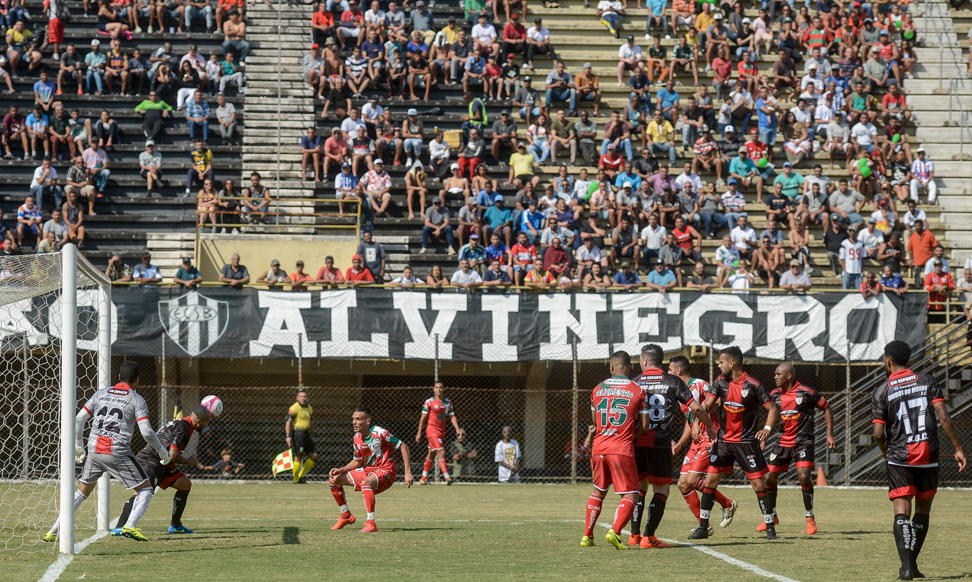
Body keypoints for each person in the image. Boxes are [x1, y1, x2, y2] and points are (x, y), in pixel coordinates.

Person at [43, 362, 170, 544]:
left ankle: (53, 531)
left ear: (118, 377)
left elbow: (80, 418)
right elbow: (147, 432)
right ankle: (130, 525)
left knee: (82, 492)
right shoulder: (137, 399)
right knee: (146, 489)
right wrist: (162, 451)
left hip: (94, 450)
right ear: (137, 380)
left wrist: (78, 445)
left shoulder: (101, 393)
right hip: (117, 452)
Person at [872, 340, 966, 580]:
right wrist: (957, 448)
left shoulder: (882, 390)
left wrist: (884, 451)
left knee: (901, 512)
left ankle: (905, 568)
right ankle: (913, 564)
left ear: (888, 361)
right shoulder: (928, 381)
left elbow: (878, 434)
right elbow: (943, 416)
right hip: (928, 455)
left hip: (898, 457)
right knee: (922, 511)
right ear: (909, 360)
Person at [628, 345, 717, 548]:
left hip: (637, 441)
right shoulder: (673, 381)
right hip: (660, 442)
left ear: (644, 361)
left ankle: (634, 535)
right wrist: (710, 427)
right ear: (660, 361)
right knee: (661, 490)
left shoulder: (635, 382)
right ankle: (648, 537)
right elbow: (696, 408)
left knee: (639, 488)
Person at [689, 346, 780, 540]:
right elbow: (707, 405)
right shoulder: (720, 382)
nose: (719, 366)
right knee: (710, 482)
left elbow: (772, 408)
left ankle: (770, 528)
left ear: (732, 363)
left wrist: (767, 429)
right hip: (723, 441)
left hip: (746, 442)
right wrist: (696, 422)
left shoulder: (753, 385)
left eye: (721, 362)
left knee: (758, 485)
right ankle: (703, 527)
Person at [109, 406, 212, 537]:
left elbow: (167, 448)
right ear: (198, 421)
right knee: (142, 492)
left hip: (163, 464)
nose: (206, 426)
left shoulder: (182, 423)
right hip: (151, 462)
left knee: (185, 484)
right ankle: (120, 527)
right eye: (206, 423)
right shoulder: (184, 428)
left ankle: (175, 526)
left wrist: (172, 464)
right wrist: (190, 462)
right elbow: (173, 455)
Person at [760, 364, 836, 535]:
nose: (775, 377)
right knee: (769, 477)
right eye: (775, 374)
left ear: (788, 376)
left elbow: (826, 407)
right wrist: (765, 436)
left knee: (804, 477)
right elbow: (771, 415)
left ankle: (810, 517)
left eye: (778, 374)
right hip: (782, 441)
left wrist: (830, 434)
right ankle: (772, 517)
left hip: (803, 442)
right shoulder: (774, 394)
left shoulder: (807, 392)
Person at [581, 350, 645, 549]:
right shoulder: (638, 390)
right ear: (630, 367)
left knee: (599, 491)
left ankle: (587, 536)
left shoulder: (597, 388)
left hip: (599, 447)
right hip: (621, 447)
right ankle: (615, 532)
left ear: (611, 366)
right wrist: (628, 435)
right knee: (632, 494)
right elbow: (644, 425)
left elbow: (595, 421)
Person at [668, 356, 736, 537]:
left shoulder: (699, 385)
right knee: (683, 484)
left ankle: (726, 505)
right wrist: (680, 444)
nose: (668, 373)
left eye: (670, 370)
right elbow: (689, 421)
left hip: (710, 438)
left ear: (678, 371)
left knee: (692, 480)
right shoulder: (679, 391)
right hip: (696, 442)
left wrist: (700, 419)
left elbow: (718, 401)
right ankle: (706, 523)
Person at [327, 406, 414, 533]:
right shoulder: (357, 437)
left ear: (367, 421)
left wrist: (407, 472)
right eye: (353, 419)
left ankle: (371, 524)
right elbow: (357, 461)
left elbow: (403, 446)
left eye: (358, 419)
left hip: (386, 471)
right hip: (369, 471)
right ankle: (346, 516)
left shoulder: (380, 433)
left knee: (366, 483)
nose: (354, 422)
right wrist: (341, 470)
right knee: (334, 479)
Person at [415, 382, 461, 486]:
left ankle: (423, 478)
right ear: (433, 389)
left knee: (431, 454)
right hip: (432, 431)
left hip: (441, 432)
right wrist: (419, 433)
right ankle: (447, 478)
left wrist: (457, 429)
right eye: (437, 387)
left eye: (441, 387)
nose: (439, 389)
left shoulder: (448, 403)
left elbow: (452, 416)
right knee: (441, 451)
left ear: (444, 389)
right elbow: (423, 418)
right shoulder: (429, 402)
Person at [285, 389, 318, 485]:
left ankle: (301, 475)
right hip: (298, 434)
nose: (303, 398)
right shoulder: (294, 408)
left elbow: (311, 423)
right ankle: (295, 479)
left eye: (305, 397)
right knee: (299, 456)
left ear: (307, 398)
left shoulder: (310, 408)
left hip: (307, 434)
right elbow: (288, 422)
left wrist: (313, 435)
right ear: (297, 398)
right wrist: (288, 435)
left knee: (314, 456)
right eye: (301, 397)